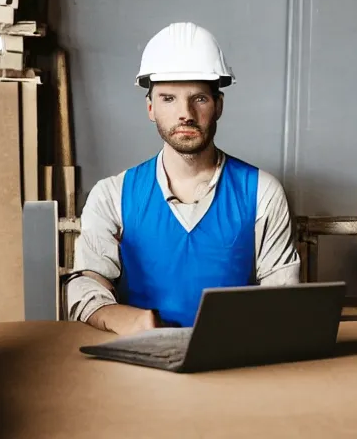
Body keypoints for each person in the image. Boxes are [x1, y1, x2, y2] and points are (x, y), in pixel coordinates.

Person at [66, 22, 300, 335]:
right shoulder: (112, 195)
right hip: (141, 366)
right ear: (150, 108)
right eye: (168, 99)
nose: (185, 113)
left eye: (199, 98)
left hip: (235, 363)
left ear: (218, 106)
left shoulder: (262, 192)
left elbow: (283, 299)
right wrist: (132, 321)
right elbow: (87, 286)